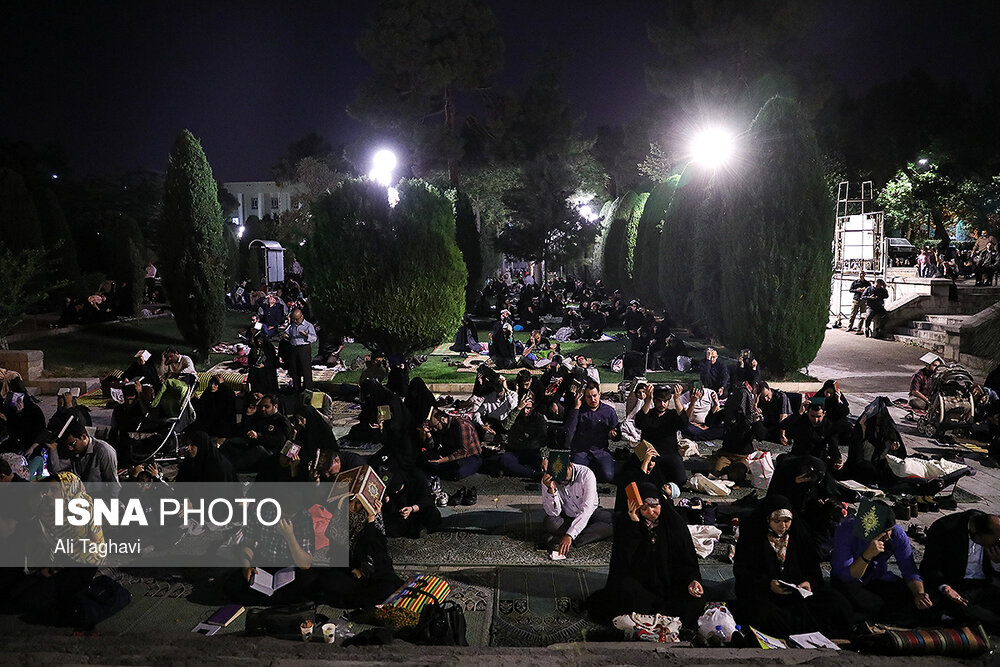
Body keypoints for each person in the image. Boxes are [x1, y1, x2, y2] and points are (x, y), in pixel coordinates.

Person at [733, 495, 853, 639]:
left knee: (836, 602)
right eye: (777, 521)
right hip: (765, 593)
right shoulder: (753, 539)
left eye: (786, 521)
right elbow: (742, 572)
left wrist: (808, 583)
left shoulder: (799, 537)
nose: (782, 526)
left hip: (798, 594)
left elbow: (812, 570)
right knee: (768, 615)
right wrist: (768, 584)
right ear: (767, 519)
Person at [590, 483, 703, 625]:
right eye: (644, 508)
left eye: (654, 506)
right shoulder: (628, 524)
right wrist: (634, 526)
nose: (650, 512)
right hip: (641, 583)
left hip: (670, 583)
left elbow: (688, 561)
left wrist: (693, 580)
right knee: (626, 594)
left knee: (694, 600)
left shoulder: (675, 524)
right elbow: (622, 562)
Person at [831, 502, 932, 625]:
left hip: (877, 578)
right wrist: (867, 555)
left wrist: (919, 594)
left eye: (889, 530)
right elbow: (845, 575)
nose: (888, 536)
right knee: (842, 605)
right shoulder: (846, 530)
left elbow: (909, 569)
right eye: (884, 532)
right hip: (850, 582)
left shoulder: (896, 534)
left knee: (911, 598)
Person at [920, 510, 1000, 630]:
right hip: (955, 586)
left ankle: (963, 618)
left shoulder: (993, 532)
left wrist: (996, 563)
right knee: (947, 604)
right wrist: (945, 587)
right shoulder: (944, 528)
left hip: (983, 585)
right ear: (980, 535)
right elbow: (930, 566)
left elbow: (994, 574)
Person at [540, 461, 613, 556]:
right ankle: (584, 534)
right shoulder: (548, 479)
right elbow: (553, 513)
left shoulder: (586, 474)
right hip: (567, 516)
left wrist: (569, 535)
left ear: (570, 465)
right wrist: (551, 490)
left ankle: (568, 539)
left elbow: (587, 509)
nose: (561, 482)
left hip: (590, 514)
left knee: (613, 521)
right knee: (550, 523)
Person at [45, 418, 121, 497]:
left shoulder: (104, 451)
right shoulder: (73, 450)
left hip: (98, 498)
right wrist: (53, 449)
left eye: (72, 444)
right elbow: (56, 471)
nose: (70, 448)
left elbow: (113, 484)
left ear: (84, 437)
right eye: (68, 445)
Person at [635, 384, 693, 486]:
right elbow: (639, 423)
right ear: (654, 401)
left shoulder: (672, 414)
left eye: (665, 401)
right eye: (659, 401)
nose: (662, 404)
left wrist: (677, 399)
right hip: (650, 453)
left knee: (681, 479)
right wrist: (648, 400)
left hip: (670, 453)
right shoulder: (649, 414)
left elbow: (684, 424)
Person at [220, 395, 293, 473]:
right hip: (252, 445)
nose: (263, 409)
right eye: (262, 406)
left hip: (270, 452)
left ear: (275, 406)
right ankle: (218, 464)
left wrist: (259, 436)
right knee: (230, 442)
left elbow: (280, 440)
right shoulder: (261, 417)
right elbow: (244, 432)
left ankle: (229, 469)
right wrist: (249, 415)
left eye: (267, 406)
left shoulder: (281, 421)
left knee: (258, 450)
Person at [564, 381, 620, 483]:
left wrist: (613, 434)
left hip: (600, 451)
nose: (593, 400)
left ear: (599, 394)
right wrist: (576, 407)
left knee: (607, 476)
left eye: (594, 396)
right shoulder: (580, 411)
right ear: (584, 398)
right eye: (589, 397)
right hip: (581, 451)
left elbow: (617, 435)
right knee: (576, 477)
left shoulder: (609, 411)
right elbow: (569, 431)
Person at [711, 381, 755, 483]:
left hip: (743, 455)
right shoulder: (727, 413)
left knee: (737, 473)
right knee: (717, 470)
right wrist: (715, 406)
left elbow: (761, 434)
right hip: (727, 453)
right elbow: (710, 422)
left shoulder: (749, 418)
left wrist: (756, 422)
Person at [786, 397, 844, 473]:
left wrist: (837, 459)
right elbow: (784, 425)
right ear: (807, 413)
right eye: (812, 416)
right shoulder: (801, 420)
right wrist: (799, 413)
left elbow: (833, 445)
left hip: (818, 458)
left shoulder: (829, 426)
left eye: (818, 416)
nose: (815, 420)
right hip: (799, 456)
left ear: (824, 414)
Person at [420, 410, 482, 480]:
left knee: (457, 472)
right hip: (451, 454)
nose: (435, 429)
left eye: (435, 426)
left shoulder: (462, 425)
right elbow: (433, 446)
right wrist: (428, 434)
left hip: (470, 457)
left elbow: (463, 451)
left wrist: (444, 460)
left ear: (442, 419)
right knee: (425, 461)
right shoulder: (440, 427)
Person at [498, 392, 547, 478]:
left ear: (533, 407)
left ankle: (518, 470)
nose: (525, 411)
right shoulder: (516, 414)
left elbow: (543, 439)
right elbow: (505, 426)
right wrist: (518, 409)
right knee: (504, 460)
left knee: (545, 464)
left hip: (532, 451)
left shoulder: (539, 418)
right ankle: (532, 474)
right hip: (515, 450)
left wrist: (544, 458)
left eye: (528, 408)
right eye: (524, 408)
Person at [189, 374, 237, 441]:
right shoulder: (207, 392)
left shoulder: (226, 394)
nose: (212, 386)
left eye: (216, 384)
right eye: (211, 383)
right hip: (209, 424)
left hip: (221, 426)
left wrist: (222, 384)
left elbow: (230, 400)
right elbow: (201, 407)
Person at [283, 308, 317, 392]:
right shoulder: (292, 325)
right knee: (295, 369)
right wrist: (285, 335)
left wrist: (306, 335)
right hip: (294, 347)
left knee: (306, 370)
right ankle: (296, 388)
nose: (295, 321)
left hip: (304, 348)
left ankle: (308, 389)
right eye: (293, 319)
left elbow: (314, 338)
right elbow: (287, 332)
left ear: (302, 317)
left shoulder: (308, 325)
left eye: (297, 319)